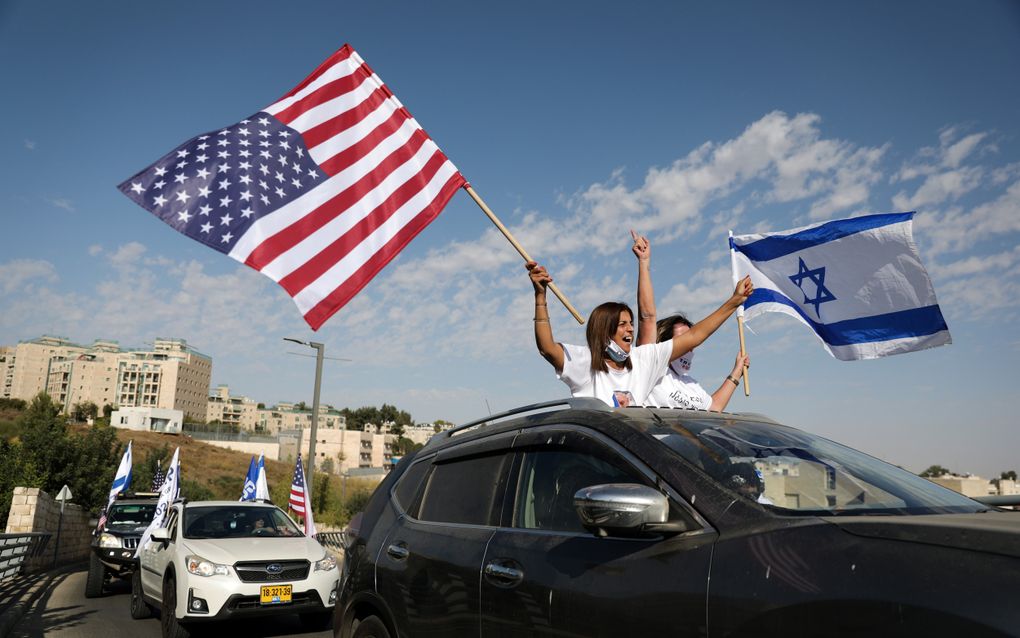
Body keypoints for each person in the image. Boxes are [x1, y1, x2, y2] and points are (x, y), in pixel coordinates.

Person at [527, 257, 752, 408]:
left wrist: (734, 302)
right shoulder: (585, 362)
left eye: (631, 323)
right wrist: (540, 296)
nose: (631, 329)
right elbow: (547, 348)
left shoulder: (643, 360)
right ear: (604, 331)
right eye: (622, 324)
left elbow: (695, 336)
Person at [630, 231, 750, 411]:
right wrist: (644, 262)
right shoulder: (649, 366)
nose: (690, 346)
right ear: (662, 341)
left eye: (692, 344)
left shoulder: (690, 384)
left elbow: (714, 407)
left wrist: (736, 372)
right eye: (684, 340)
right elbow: (647, 316)